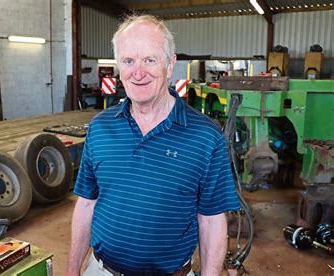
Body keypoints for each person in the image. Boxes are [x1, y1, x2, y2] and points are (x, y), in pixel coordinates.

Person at [68, 14, 240, 276]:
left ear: (169, 65)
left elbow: (212, 220)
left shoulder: (205, 137)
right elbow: (87, 204)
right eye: (128, 61)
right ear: (118, 66)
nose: (138, 73)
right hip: (100, 271)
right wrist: (72, 270)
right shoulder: (100, 128)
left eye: (149, 60)